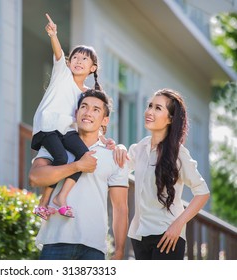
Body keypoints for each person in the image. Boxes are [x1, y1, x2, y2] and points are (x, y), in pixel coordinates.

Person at [29, 89, 129, 260]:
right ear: (76, 113)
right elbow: (35, 178)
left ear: (105, 120)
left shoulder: (114, 156)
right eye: (84, 106)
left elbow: (120, 208)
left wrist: (119, 250)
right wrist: (77, 166)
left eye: (96, 109)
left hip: (94, 248)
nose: (88, 113)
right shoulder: (55, 146)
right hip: (55, 241)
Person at [116, 88, 210, 260]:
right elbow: (118, 167)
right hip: (139, 236)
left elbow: (202, 192)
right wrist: (119, 147)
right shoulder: (140, 148)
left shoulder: (179, 154)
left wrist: (178, 225)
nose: (149, 112)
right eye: (149, 105)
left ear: (170, 118)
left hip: (167, 237)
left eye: (158, 108)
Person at [31, 13, 108, 219]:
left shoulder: (86, 94)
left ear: (92, 68)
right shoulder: (62, 74)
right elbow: (58, 53)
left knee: (85, 157)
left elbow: (87, 117)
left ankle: (61, 197)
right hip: (48, 126)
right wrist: (54, 35)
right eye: (75, 57)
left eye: (85, 59)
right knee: (62, 158)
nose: (79, 61)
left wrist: (103, 139)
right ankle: (43, 201)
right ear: (69, 61)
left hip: (66, 129)